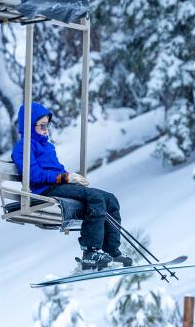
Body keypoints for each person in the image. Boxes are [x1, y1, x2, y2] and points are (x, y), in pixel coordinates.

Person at [11, 102, 132, 270]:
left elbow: (56, 170)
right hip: (45, 190)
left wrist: (70, 178)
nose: (46, 129)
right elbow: (35, 175)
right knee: (95, 198)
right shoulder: (23, 147)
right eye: (42, 125)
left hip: (57, 185)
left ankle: (111, 250)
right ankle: (90, 252)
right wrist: (64, 177)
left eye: (48, 125)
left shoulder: (47, 146)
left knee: (110, 199)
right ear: (30, 126)